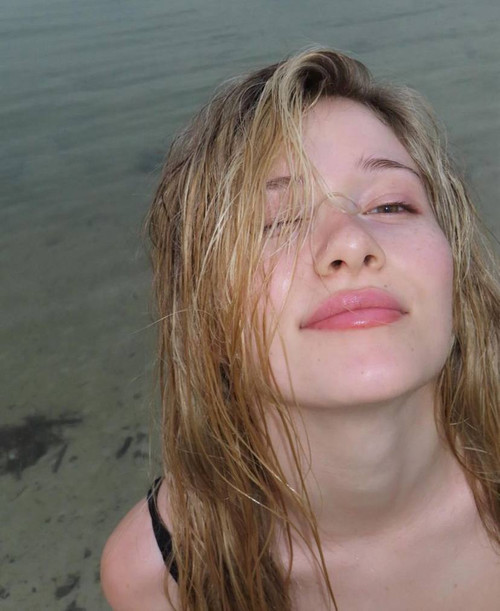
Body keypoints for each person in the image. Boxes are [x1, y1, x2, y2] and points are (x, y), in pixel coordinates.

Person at [100, 48, 500, 610]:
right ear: (205, 312)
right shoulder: (163, 575)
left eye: (390, 206)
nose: (352, 242)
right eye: (277, 221)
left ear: (456, 266)